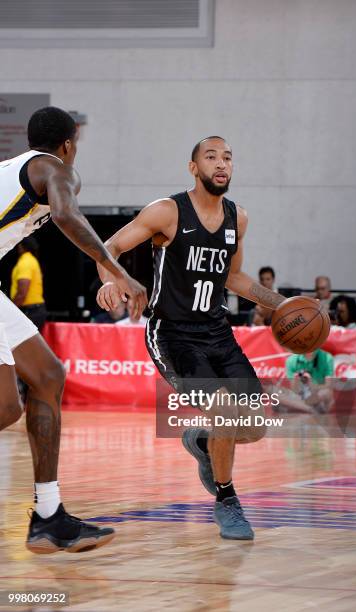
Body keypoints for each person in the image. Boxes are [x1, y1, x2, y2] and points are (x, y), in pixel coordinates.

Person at [96, 136, 288, 541]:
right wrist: (111, 281)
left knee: (253, 426)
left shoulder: (239, 218)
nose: (222, 164)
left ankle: (201, 441)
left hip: (218, 333)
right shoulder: (167, 211)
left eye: (228, 158)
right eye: (212, 157)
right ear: (193, 167)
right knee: (224, 408)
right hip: (173, 335)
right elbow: (109, 247)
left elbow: (233, 277)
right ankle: (227, 499)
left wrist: (280, 303)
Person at [0, 106, 147, 554]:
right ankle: (48, 517)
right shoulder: (56, 169)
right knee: (10, 404)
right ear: (69, 143)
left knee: (41, 381)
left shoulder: (14, 168)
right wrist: (114, 268)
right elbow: (65, 215)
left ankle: (48, 517)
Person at [11, 237, 47, 333]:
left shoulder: (25, 262)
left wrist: (10, 310)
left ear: (21, 247)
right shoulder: (32, 260)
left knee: (18, 345)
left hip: (31, 311)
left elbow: (22, 293)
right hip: (36, 310)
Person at [286, 348, 334, 413]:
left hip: (317, 393)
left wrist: (311, 383)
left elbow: (328, 385)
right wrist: (295, 380)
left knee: (325, 392)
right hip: (301, 394)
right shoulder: (291, 360)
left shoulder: (327, 358)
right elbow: (294, 390)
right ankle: (310, 409)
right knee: (274, 391)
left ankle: (303, 407)